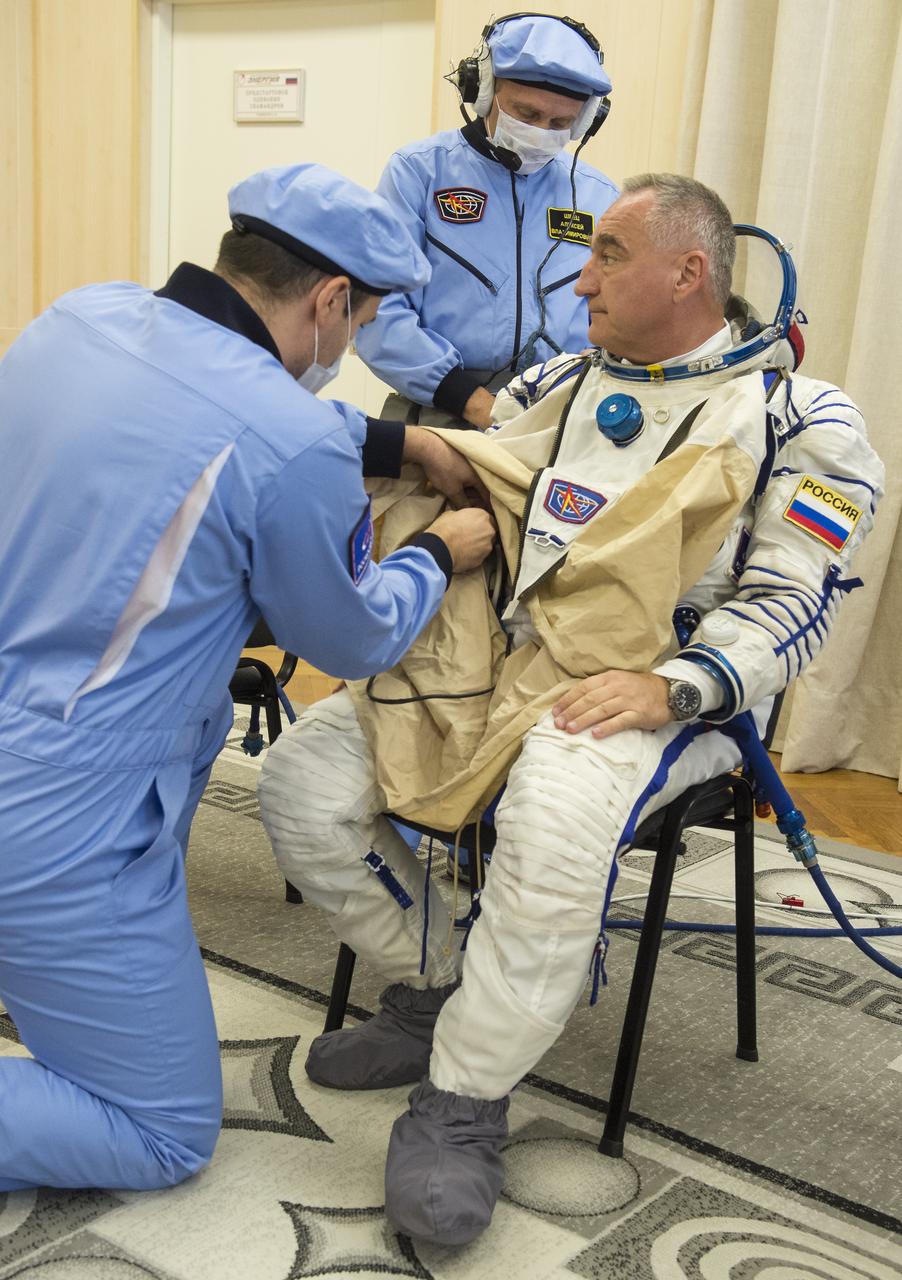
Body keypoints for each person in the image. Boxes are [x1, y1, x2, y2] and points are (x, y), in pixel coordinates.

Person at [258, 174, 884, 1245]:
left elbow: (793, 598)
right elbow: (481, 475)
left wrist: (674, 684)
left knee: (547, 830)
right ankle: (443, 976)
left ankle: (461, 1096)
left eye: (605, 255)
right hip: (496, 656)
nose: (579, 277)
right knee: (299, 785)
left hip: (652, 687)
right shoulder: (557, 379)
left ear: (687, 271)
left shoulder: (803, 421)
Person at [0, 162, 496, 1193]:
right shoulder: (295, 435)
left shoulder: (79, 315)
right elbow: (352, 638)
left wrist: (399, 439)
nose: (348, 343)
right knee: (159, 1126)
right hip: (58, 805)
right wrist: (437, 552)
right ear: (327, 303)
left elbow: (203, 415)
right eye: (356, 320)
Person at [355, 12, 619, 430]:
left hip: (561, 415)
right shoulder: (419, 173)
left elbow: (616, 312)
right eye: (526, 114)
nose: (541, 132)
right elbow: (376, 310)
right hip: (437, 409)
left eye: (560, 124)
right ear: (483, 91)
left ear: (586, 121)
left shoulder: (599, 195)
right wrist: (473, 402)